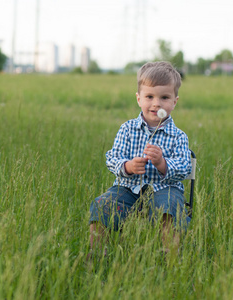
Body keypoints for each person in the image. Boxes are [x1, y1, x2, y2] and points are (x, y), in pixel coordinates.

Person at [88, 61, 192, 257]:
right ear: (139, 99)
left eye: (164, 97)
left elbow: (184, 167)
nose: (156, 103)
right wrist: (127, 166)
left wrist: (162, 164)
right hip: (128, 188)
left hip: (164, 189)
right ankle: (96, 254)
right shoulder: (127, 129)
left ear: (174, 101)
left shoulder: (178, 136)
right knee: (102, 205)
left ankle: (171, 257)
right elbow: (112, 158)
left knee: (169, 208)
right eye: (149, 96)